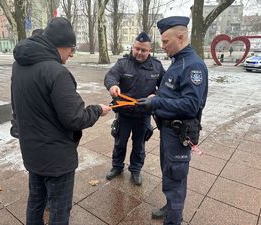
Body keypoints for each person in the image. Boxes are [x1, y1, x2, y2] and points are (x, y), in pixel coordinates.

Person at [11, 17, 110, 225]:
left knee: (36, 202)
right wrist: (97, 110)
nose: (72, 53)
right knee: (59, 208)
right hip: (57, 160)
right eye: (70, 48)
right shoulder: (57, 72)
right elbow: (75, 117)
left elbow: (16, 107)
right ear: (59, 45)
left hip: (31, 151)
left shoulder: (19, 65)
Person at [137, 16, 208, 225]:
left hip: (179, 134)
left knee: (175, 181)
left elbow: (190, 105)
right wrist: (157, 96)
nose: (163, 46)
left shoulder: (192, 65)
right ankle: (170, 208)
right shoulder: (178, 62)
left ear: (181, 36)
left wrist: (156, 104)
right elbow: (174, 94)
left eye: (166, 41)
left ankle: (173, 217)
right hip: (168, 132)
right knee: (169, 176)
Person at [104, 32, 165, 185]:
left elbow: (166, 87)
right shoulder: (122, 64)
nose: (139, 52)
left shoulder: (156, 66)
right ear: (132, 47)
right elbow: (110, 76)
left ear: (149, 50)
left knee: (139, 145)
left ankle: (136, 170)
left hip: (143, 115)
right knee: (120, 142)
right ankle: (117, 167)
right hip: (124, 114)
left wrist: (156, 95)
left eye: (143, 50)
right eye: (137, 48)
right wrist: (112, 86)